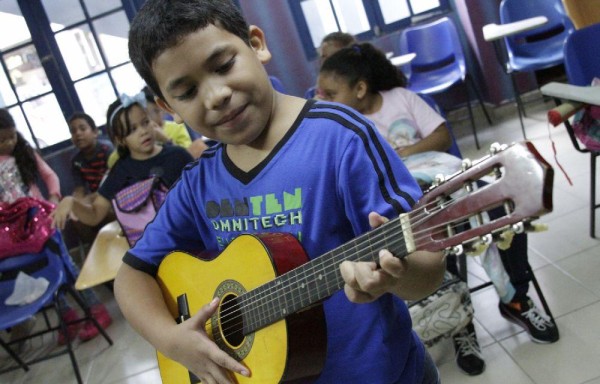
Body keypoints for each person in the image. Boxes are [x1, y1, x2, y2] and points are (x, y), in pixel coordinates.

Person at [115, 1, 446, 383]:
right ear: (167, 107)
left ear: (256, 44)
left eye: (223, 66)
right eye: (187, 92)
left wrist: (396, 275)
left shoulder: (340, 138)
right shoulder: (197, 184)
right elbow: (131, 277)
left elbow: (428, 268)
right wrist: (172, 340)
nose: (216, 95)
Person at [318, 42, 559, 375]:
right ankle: (461, 325)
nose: (322, 102)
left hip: (441, 178)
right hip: (408, 207)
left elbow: (442, 136)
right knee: (440, 239)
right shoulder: (338, 130)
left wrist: (402, 156)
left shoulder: (402, 99)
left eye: (330, 94)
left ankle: (516, 297)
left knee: (499, 215)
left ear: (359, 88)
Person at [0, 108, 112, 344]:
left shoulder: (24, 151)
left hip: (41, 221)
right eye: (1, 140)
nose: (8, 143)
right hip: (14, 233)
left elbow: (50, 176)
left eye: (11, 136)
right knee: (40, 274)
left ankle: (95, 310)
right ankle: (67, 319)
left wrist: (52, 198)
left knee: (65, 267)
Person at [52, 95, 194, 233]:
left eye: (145, 122)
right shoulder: (120, 171)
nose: (143, 131)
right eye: (132, 129)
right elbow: (95, 215)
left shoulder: (177, 155)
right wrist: (71, 202)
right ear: (120, 139)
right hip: (159, 246)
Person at [67, 112, 114, 245]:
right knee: (76, 217)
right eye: (73, 131)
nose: (78, 134)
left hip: (112, 196)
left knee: (106, 211)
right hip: (95, 199)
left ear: (94, 132)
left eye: (82, 128)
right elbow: (79, 189)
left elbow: (111, 183)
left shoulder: (107, 150)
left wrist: (90, 200)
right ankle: (95, 249)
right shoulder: (76, 160)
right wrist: (78, 205)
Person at [305, 31, 357, 99]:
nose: (326, 62)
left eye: (332, 57)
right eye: (323, 57)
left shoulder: (356, 90)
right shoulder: (312, 94)